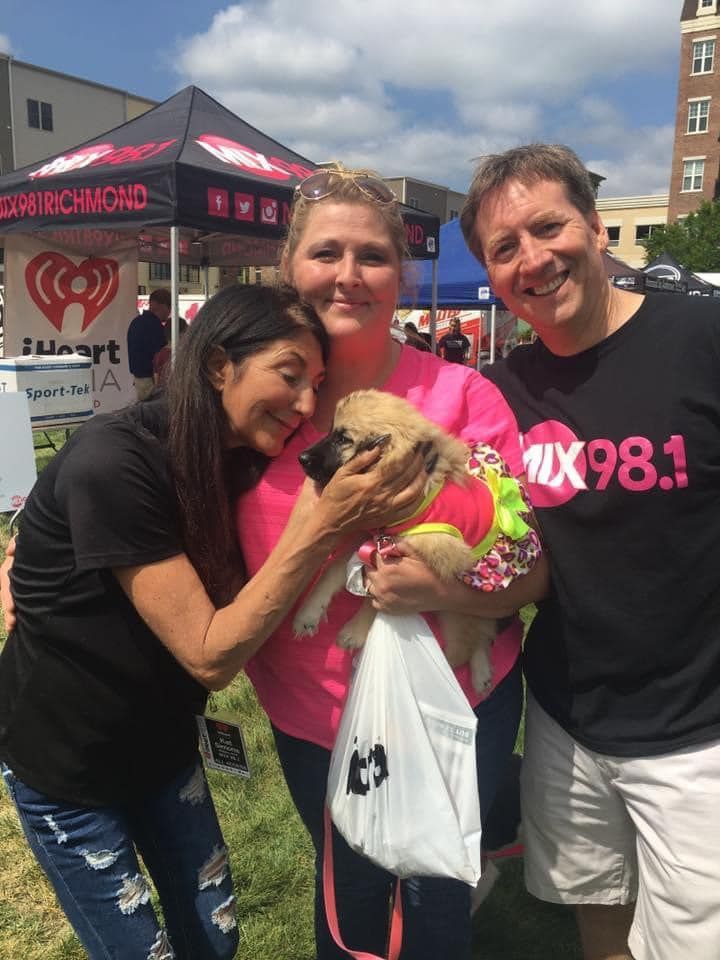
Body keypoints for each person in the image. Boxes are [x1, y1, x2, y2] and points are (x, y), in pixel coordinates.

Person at [0, 283, 426, 960]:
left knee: (216, 937)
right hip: (68, 764)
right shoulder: (117, 460)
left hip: (165, 748)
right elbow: (208, 654)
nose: (307, 405)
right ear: (219, 364)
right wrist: (320, 528)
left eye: (317, 384)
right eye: (289, 376)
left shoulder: (244, 457)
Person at [235, 167, 549, 960]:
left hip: (457, 705)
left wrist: (448, 586)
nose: (348, 275)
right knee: (349, 894)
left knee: (439, 892)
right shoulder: (250, 398)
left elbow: (534, 569)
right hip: (314, 714)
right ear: (289, 269)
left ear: (400, 275)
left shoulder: (463, 395)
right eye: (326, 252)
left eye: (372, 256)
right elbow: (148, 474)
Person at [460, 143, 720, 960]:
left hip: (699, 729)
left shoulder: (702, 338)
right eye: (505, 248)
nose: (532, 259)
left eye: (549, 227)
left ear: (597, 228)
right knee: (596, 917)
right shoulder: (502, 390)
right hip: (566, 716)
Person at [127, 288, 171, 400]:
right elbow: (162, 357)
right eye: (169, 307)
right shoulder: (155, 327)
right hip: (151, 381)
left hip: (138, 379)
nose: (170, 312)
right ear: (162, 306)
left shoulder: (135, 322)